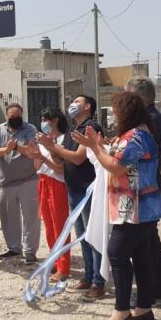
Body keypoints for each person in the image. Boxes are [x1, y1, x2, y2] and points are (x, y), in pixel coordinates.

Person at [73, 91, 161, 320]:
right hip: (142, 208)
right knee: (141, 257)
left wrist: (94, 146)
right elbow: (116, 152)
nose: (114, 115)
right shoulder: (139, 134)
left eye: (116, 111)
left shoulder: (135, 137)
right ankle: (143, 308)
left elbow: (116, 166)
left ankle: (121, 311)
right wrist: (97, 143)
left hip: (134, 209)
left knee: (117, 253)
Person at [37, 95, 105, 299]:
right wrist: (51, 147)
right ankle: (88, 276)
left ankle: (98, 282)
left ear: (87, 106)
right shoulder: (72, 132)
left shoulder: (92, 127)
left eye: (77, 102)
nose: (72, 105)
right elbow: (62, 157)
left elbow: (77, 158)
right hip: (73, 190)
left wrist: (51, 147)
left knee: (93, 237)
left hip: (88, 190)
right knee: (83, 236)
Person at [126, 77, 161, 301]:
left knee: (148, 239)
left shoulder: (151, 121)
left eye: (129, 96)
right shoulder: (150, 119)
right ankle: (157, 287)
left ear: (139, 97)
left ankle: (155, 288)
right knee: (149, 239)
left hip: (147, 188)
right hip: (147, 187)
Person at [0, 103, 40, 262]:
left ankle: (30, 251)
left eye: (18, 117)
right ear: (6, 117)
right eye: (12, 117)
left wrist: (16, 146)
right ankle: (14, 247)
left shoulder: (30, 129)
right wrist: (6, 150)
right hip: (7, 181)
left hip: (28, 180)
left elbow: (32, 152)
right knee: (8, 217)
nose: (15, 119)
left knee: (30, 217)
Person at [33, 108, 70, 282]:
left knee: (60, 226)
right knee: (48, 225)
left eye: (44, 119)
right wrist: (35, 154)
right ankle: (54, 260)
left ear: (54, 120)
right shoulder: (42, 141)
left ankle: (64, 267)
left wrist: (46, 152)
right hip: (43, 181)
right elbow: (36, 166)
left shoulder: (63, 140)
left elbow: (60, 168)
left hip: (57, 184)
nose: (42, 123)